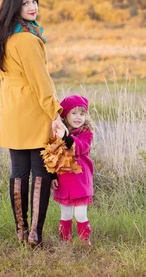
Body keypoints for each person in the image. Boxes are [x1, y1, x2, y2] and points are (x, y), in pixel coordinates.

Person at [0, 0, 68, 248]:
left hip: (11, 111)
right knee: (41, 171)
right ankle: (34, 233)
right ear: (15, 6)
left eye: (34, 1)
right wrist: (56, 114)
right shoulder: (28, 39)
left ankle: (21, 232)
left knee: (19, 172)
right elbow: (41, 82)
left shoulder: (3, 36)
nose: (32, 7)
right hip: (33, 110)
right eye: (26, 3)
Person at [53, 95, 95, 246]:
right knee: (65, 212)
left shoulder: (86, 133)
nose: (78, 117)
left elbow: (82, 148)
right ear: (65, 115)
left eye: (82, 114)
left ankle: (84, 241)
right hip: (64, 179)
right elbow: (52, 157)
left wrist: (67, 138)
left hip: (81, 179)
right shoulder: (57, 134)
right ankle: (66, 241)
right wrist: (52, 176)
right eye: (74, 113)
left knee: (80, 212)